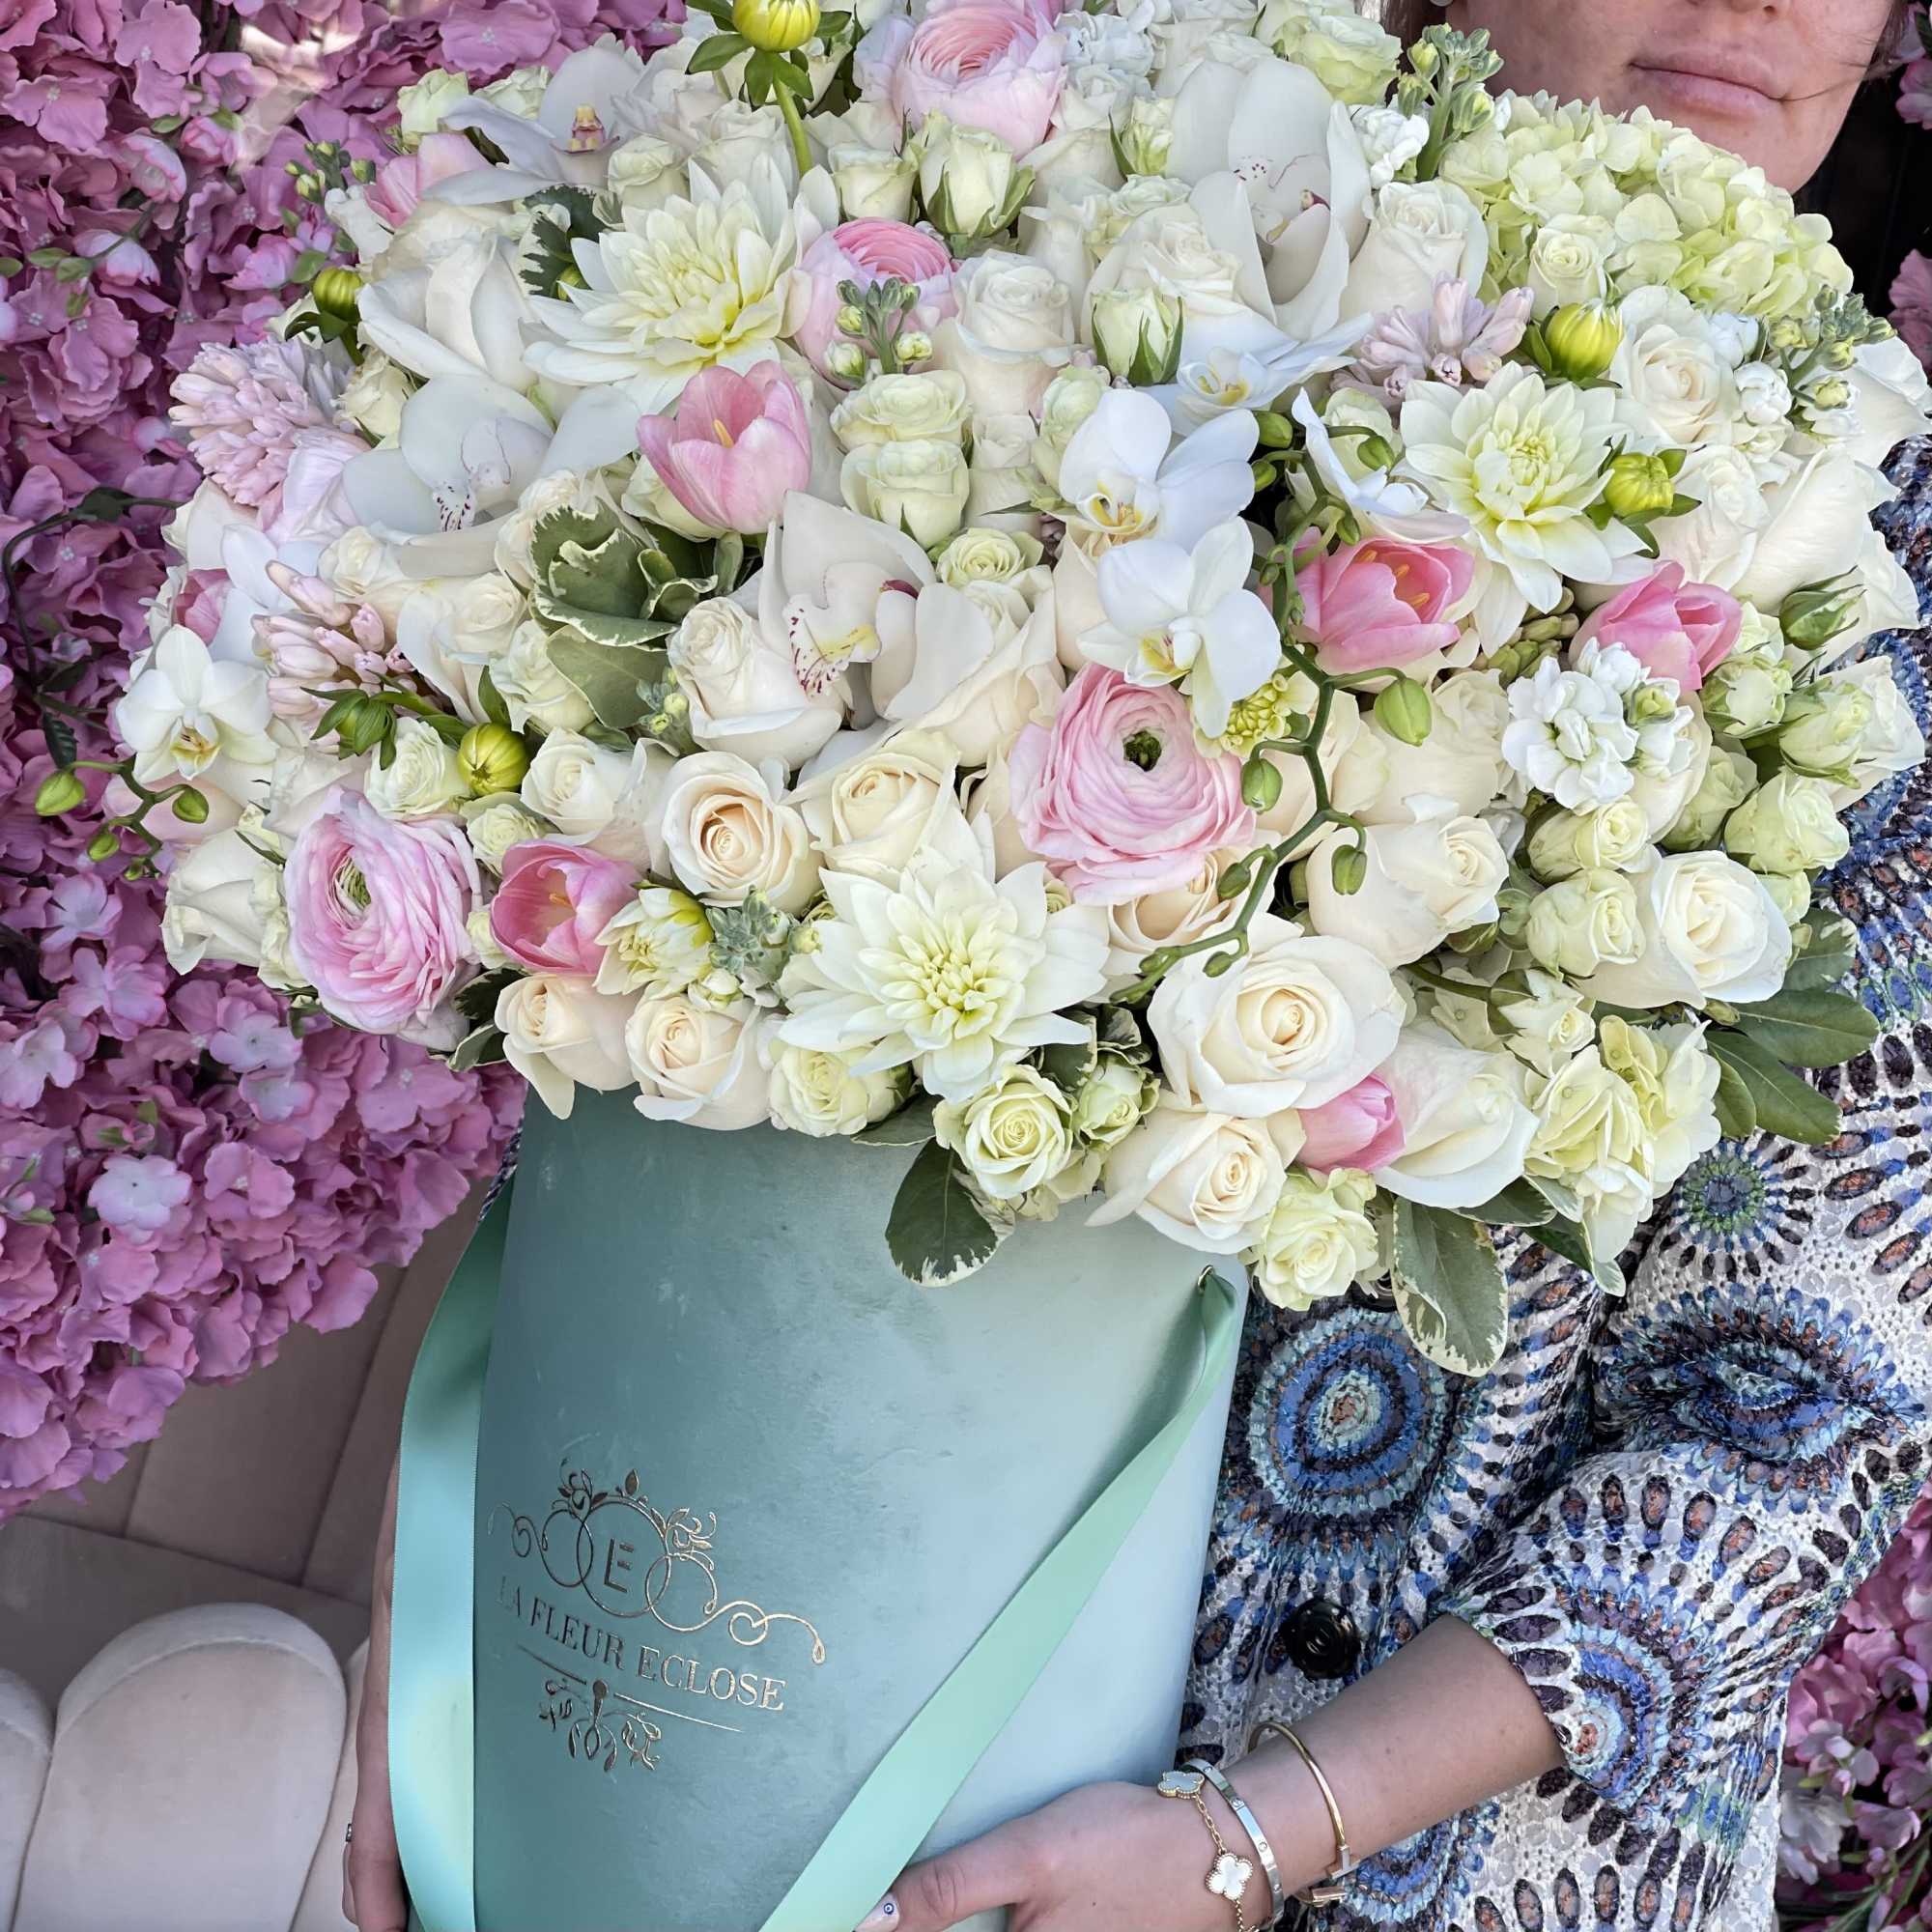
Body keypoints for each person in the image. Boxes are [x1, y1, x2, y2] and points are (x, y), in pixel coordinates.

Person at [344, 4, 1930, 1929]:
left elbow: (1788, 1424)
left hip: (1445, 1871)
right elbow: (640, 988)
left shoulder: (1870, 586)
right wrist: (460, 1621)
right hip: (791, 1745)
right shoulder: (1093, 270)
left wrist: (1250, 1840)